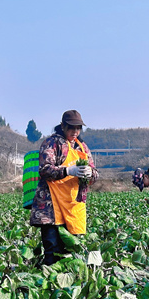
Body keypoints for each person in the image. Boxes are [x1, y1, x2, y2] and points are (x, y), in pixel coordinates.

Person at [29, 110, 98, 265]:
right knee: (52, 250)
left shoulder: (82, 147)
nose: (75, 132)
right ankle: (51, 284)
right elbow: (45, 169)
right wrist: (68, 170)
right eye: (71, 128)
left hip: (73, 205)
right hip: (51, 207)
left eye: (78, 128)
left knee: (69, 251)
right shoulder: (51, 143)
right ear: (62, 126)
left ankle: (64, 286)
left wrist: (90, 173)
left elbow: (95, 173)